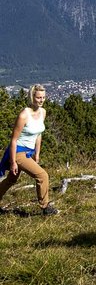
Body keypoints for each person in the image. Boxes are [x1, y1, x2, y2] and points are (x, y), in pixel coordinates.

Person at [0, 84, 58, 215]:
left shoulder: (43, 112)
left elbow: (38, 134)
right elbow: (13, 140)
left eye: (43, 97)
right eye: (38, 97)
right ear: (32, 97)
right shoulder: (24, 115)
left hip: (29, 152)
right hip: (18, 151)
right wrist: (13, 161)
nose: (41, 100)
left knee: (11, 179)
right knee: (42, 175)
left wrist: (37, 153)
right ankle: (45, 206)